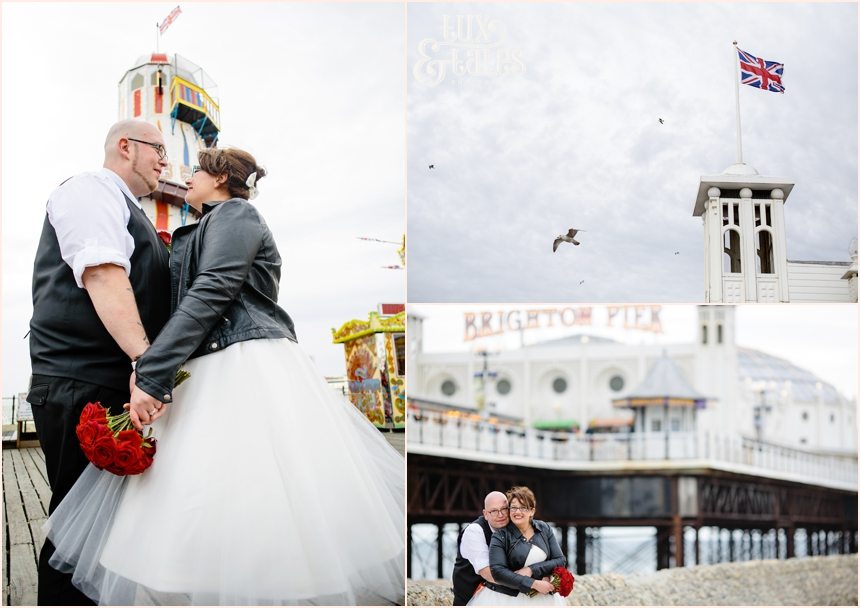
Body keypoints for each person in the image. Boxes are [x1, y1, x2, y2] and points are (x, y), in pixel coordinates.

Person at [42, 146, 405, 605]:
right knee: (205, 492)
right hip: (210, 360)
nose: (186, 176)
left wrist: (153, 370)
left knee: (250, 485)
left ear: (220, 179)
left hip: (241, 361)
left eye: (196, 170)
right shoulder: (200, 226)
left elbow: (214, 288)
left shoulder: (236, 215)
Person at [28, 119, 171, 605]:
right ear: (126, 147)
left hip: (112, 383)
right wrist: (146, 360)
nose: (165, 162)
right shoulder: (90, 190)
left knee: (108, 530)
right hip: (78, 381)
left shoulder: (135, 212)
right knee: (76, 529)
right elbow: (104, 273)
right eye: (159, 150)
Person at [468, 486, 567, 606]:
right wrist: (533, 583)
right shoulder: (500, 536)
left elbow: (560, 560)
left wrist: (531, 570)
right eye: (513, 507)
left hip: (543, 597)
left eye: (523, 508)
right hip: (506, 599)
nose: (517, 512)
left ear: (532, 511)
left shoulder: (544, 529)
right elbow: (498, 572)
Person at [452, 490, 519, 605]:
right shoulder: (475, 531)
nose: (500, 515)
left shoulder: (514, 528)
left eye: (504, 509)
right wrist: (528, 583)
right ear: (485, 514)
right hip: (472, 600)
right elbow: (488, 573)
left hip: (507, 596)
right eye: (494, 511)